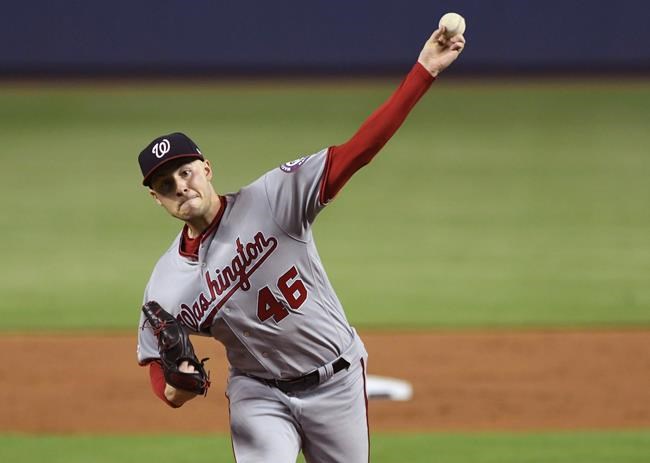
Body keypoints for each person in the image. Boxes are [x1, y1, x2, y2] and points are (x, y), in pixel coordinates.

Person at [136, 25, 465, 463]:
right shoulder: (165, 284)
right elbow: (160, 373)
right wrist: (173, 386)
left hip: (337, 380)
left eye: (185, 171)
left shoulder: (273, 198)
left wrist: (424, 70)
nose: (180, 185)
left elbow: (358, 151)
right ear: (155, 197)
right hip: (258, 395)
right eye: (165, 183)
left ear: (207, 168)